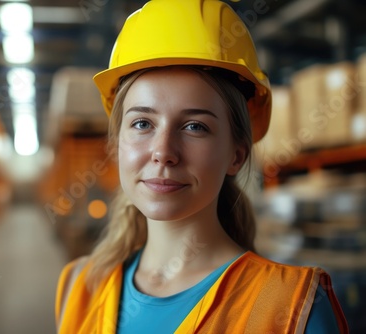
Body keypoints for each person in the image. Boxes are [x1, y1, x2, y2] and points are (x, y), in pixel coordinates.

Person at [55, 0, 349, 333]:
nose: (163, 152)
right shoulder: (80, 287)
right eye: (142, 124)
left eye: (195, 126)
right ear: (116, 142)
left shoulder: (295, 309)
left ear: (236, 154)